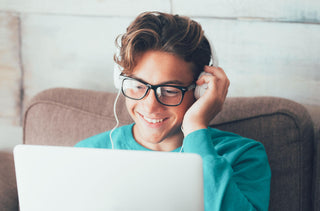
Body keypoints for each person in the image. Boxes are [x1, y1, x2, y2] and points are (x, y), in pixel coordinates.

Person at [75, 11, 271, 210]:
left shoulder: (243, 155)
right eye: (138, 85)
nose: (150, 105)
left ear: (201, 91)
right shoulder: (86, 155)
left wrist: (195, 127)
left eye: (169, 90)